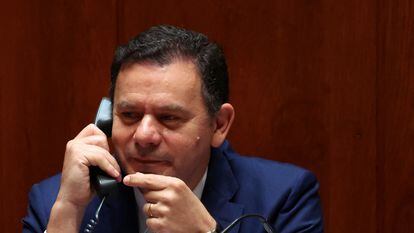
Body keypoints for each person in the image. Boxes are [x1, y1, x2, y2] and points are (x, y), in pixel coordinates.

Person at [22, 25, 323, 233]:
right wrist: (68, 213)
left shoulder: (284, 197)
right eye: (128, 115)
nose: (144, 136)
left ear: (219, 125)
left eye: (168, 118)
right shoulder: (54, 200)